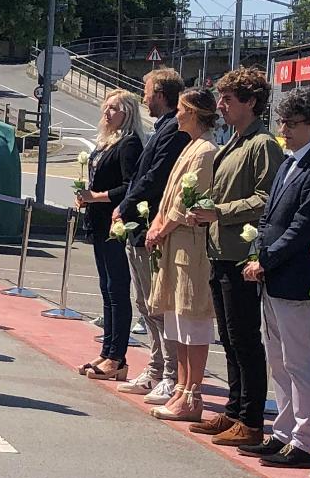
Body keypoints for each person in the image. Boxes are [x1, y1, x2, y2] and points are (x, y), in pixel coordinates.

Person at [238, 89, 310, 468]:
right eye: (281, 122)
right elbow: (268, 219)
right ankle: (282, 432)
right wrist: (256, 253)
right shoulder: (288, 163)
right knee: (278, 360)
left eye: (293, 124)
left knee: (299, 361)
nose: (284, 130)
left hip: (295, 278)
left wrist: (266, 259)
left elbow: (304, 227)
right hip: (272, 275)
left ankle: (304, 440)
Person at [186, 67, 282, 447]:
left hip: (242, 255)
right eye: (221, 98)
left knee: (244, 337)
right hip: (220, 250)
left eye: (229, 99)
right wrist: (207, 210)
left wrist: (219, 212)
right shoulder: (235, 141)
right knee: (228, 336)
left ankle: (251, 418)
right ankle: (234, 407)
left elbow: (266, 199)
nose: (221, 106)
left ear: (252, 103)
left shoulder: (261, 144)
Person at [113, 68, 189, 404]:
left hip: (152, 227)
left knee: (158, 304)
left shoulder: (173, 130)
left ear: (159, 93)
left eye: (146, 92)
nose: (144, 98)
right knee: (145, 302)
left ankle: (169, 373)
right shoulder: (163, 129)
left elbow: (155, 178)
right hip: (142, 226)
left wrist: (125, 207)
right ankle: (156, 366)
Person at [145, 89, 220, 422]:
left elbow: (190, 199)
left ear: (194, 112)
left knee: (193, 318)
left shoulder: (206, 151)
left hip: (190, 246)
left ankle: (192, 393)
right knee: (177, 317)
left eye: (181, 110)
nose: (176, 115)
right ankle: (181, 388)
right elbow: (170, 195)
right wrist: (159, 222)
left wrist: (163, 226)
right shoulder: (190, 146)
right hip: (174, 243)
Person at [76, 90, 144, 380]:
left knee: (117, 288)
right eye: (106, 107)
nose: (107, 112)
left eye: (114, 108)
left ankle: (117, 356)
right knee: (106, 287)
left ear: (127, 113)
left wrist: (97, 196)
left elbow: (131, 187)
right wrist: (85, 197)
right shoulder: (106, 142)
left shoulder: (129, 144)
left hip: (115, 223)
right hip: (97, 220)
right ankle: (107, 350)